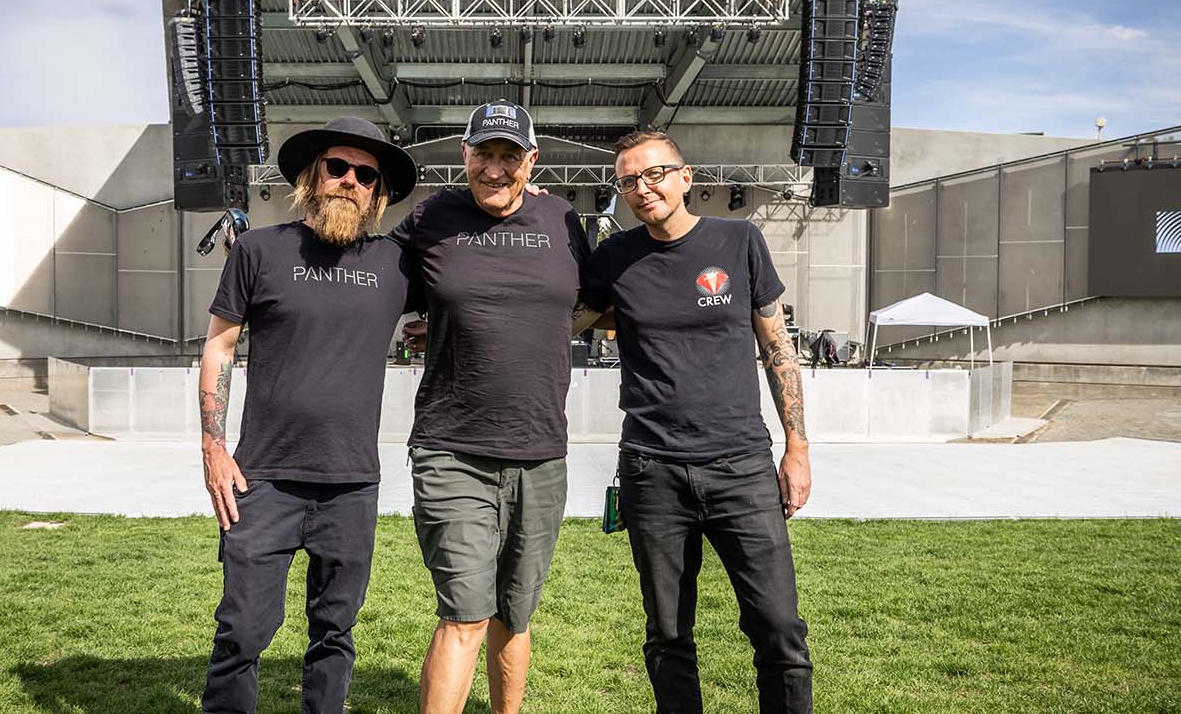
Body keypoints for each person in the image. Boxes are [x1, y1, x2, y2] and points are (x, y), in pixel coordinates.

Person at [577, 129, 813, 714]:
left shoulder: (741, 241)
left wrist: (797, 447)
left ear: (685, 178)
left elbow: (777, 346)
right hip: (652, 472)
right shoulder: (614, 259)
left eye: (654, 173)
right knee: (667, 635)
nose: (642, 187)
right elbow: (560, 321)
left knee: (779, 628)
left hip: (742, 468)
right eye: (628, 180)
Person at [197, 116, 419, 714]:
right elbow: (219, 344)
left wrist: (522, 207)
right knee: (242, 631)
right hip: (262, 479)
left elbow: (472, 280)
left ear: (377, 194)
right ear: (309, 177)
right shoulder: (258, 250)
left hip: (350, 485)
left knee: (334, 635)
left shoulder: (397, 266)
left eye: (366, 175)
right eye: (338, 167)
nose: (350, 180)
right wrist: (213, 446)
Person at [388, 100, 594, 714]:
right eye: (485, 153)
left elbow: (597, 303)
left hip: (540, 453)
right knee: (465, 614)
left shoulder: (562, 220)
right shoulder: (432, 218)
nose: (496, 169)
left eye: (510, 156)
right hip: (453, 448)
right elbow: (371, 281)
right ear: (465, 156)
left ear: (532, 160)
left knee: (516, 612)